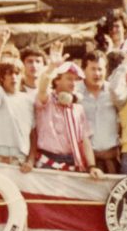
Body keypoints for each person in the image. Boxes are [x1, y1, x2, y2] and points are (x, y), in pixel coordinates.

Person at [32, 42, 103, 178]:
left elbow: (85, 140)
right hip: (47, 162)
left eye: (75, 80)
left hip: (71, 163)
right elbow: (42, 88)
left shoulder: (77, 108)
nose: (73, 83)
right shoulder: (46, 101)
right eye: (69, 79)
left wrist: (92, 166)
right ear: (57, 80)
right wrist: (52, 67)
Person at [0, 30, 36, 169]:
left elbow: (33, 135)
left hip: (20, 162)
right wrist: (0, 44)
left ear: (22, 76)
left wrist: (30, 161)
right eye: (8, 74)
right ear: (1, 78)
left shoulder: (29, 101)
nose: (13, 77)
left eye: (17, 73)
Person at [75, 50, 120, 174]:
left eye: (100, 69)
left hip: (111, 160)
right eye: (93, 69)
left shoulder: (114, 92)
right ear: (83, 70)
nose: (97, 73)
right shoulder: (74, 92)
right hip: (83, 161)